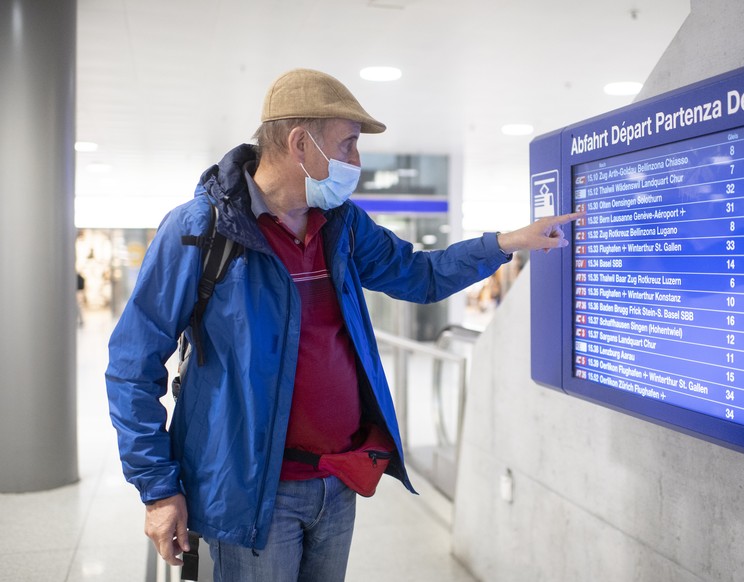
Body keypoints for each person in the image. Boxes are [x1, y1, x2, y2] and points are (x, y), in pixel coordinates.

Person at [105, 68, 581, 582]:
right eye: (349, 145)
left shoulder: (342, 225)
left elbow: (418, 275)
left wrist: (505, 243)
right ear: (300, 144)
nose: (357, 163)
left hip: (337, 482)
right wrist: (158, 488)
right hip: (250, 492)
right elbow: (132, 366)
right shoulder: (202, 230)